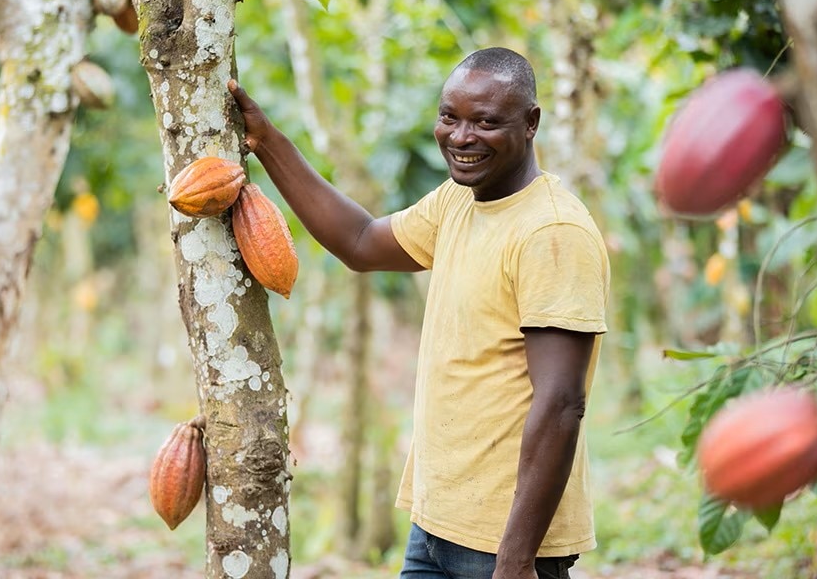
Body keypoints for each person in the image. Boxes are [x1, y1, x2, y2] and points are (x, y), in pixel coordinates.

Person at [228, 47, 610, 579]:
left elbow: (562, 402)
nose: (461, 137)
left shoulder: (552, 233)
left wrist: (516, 559)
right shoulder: (458, 201)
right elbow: (360, 242)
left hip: (504, 545)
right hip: (435, 527)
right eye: (449, 116)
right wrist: (266, 140)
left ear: (531, 124)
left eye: (486, 122)